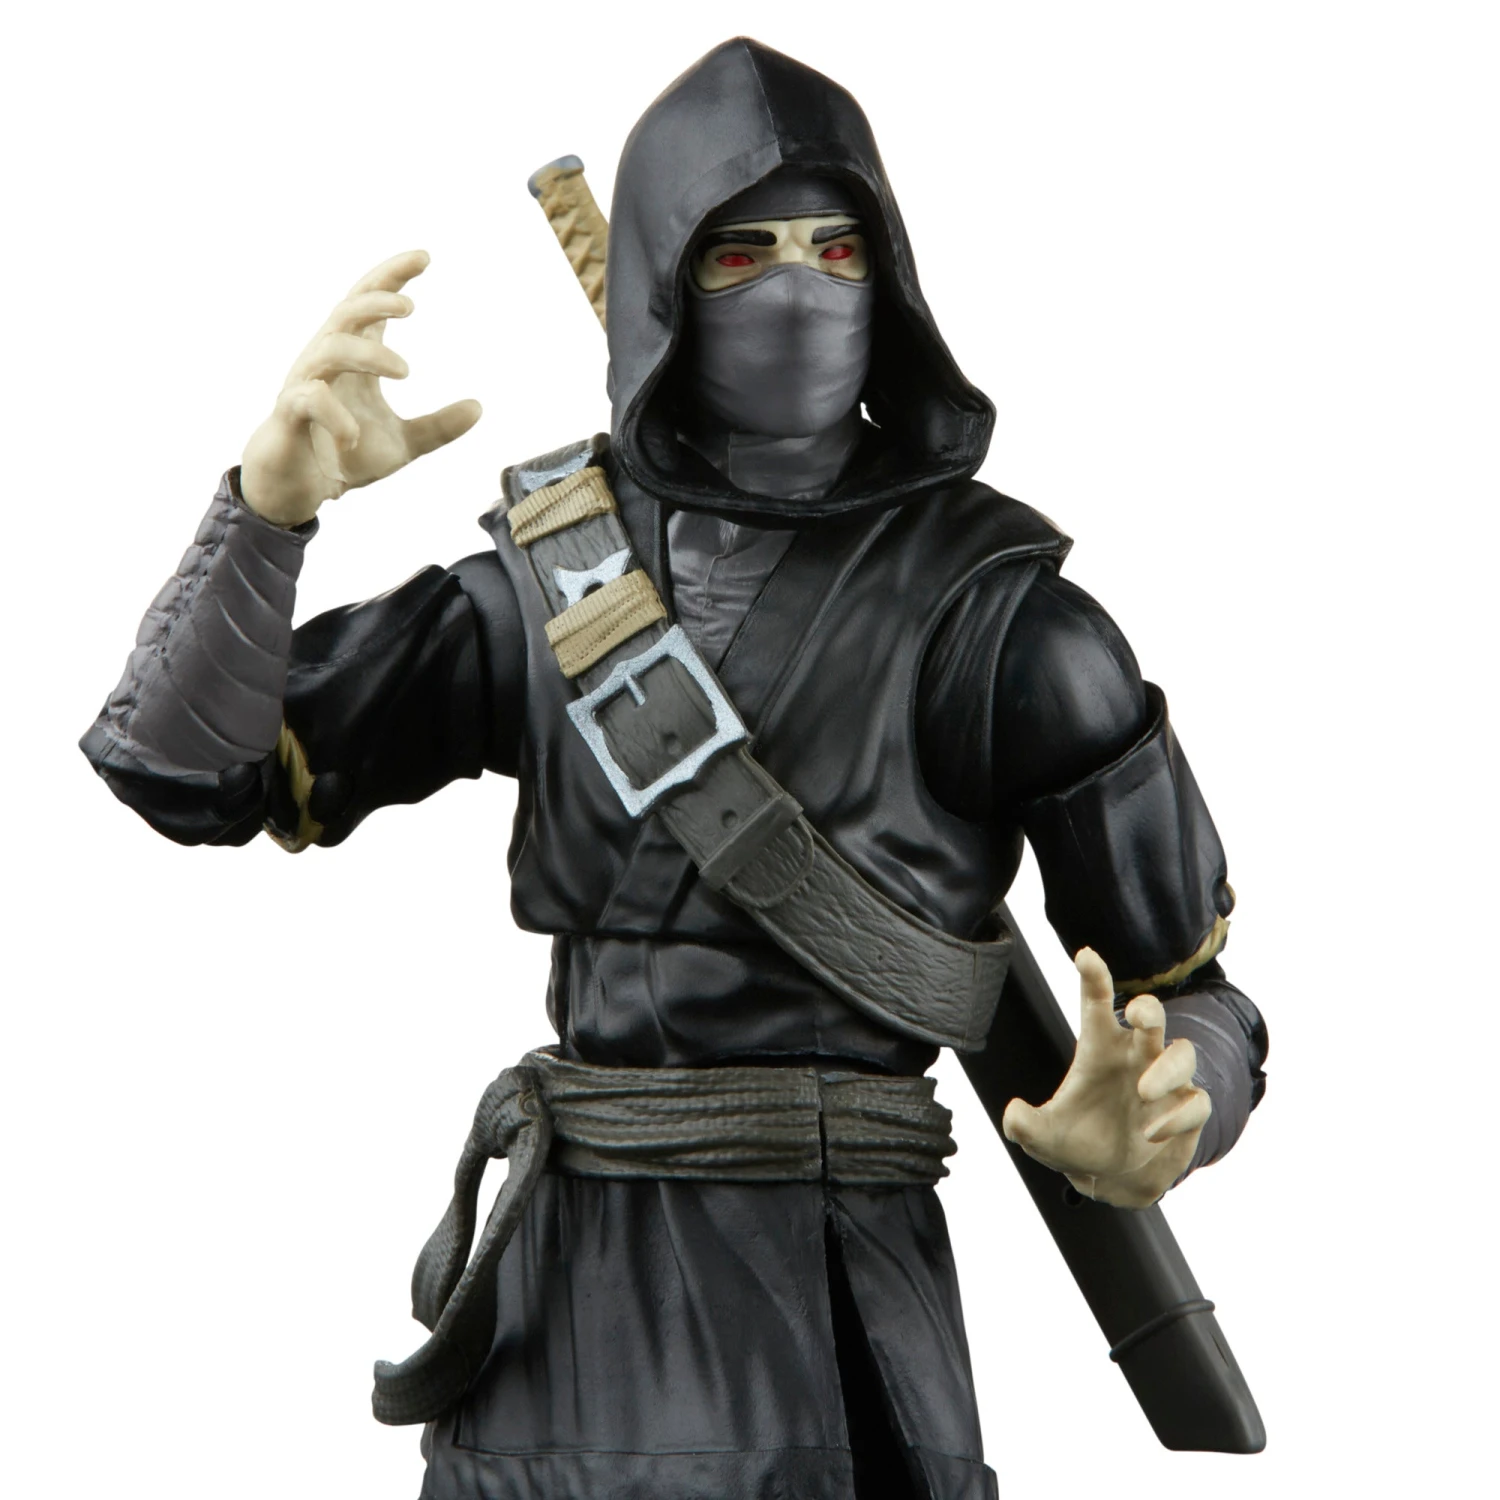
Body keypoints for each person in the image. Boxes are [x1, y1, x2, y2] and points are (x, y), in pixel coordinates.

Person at [81, 36, 1267, 1500]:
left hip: (830, 1295)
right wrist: (266, 516)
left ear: (890, 280)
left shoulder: (1012, 624)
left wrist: (1166, 1113)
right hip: (568, 1300)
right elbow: (193, 778)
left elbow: (1194, 990)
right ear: (664, 281)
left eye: (837, 248)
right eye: (739, 254)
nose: (798, 287)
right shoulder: (546, 586)